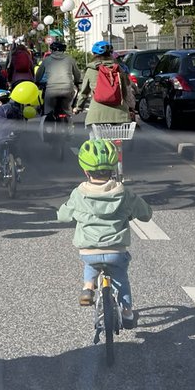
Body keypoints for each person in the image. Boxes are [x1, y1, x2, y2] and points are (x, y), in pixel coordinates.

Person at [57, 138, 153, 324]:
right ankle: (127, 313)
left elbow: (63, 215)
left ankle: (87, 288)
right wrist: (142, 214)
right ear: (113, 169)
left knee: (90, 265)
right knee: (121, 279)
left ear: (85, 171)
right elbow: (145, 213)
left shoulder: (78, 194)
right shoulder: (124, 193)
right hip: (116, 251)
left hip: (89, 250)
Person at [77, 40, 134, 128]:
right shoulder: (118, 69)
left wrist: (78, 108)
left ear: (94, 54)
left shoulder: (91, 70)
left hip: (97, 116)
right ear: (111, 55)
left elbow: (84, 93)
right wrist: (130, 107)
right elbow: (126, 91)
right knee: (120, 135)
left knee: (94, 136)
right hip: (121, 116)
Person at [36, 41, 80, 119]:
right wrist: (77, 81)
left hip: (51, 90)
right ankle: (68, 121)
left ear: (52, 50)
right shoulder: (70, 59)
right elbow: (77, 73)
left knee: (48, 111)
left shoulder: (46, 60)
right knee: (67, 110)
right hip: (67, 89)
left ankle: (48, 121)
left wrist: (37, 82)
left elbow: (39, 74)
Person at [0, 89, 23, 179]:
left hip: (2, 137)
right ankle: (19, 164)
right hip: (15, 134)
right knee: (15, 150)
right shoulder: (15, 109)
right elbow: (21, 119)